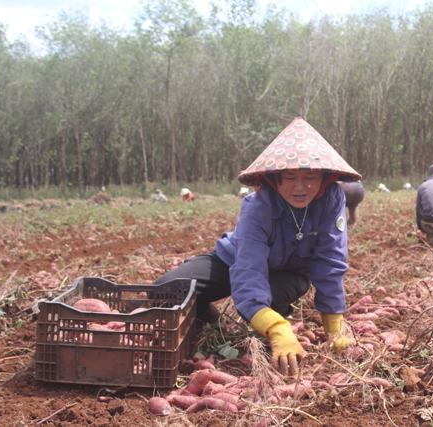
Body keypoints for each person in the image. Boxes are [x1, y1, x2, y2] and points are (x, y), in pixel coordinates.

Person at [153, 117, 361, 376]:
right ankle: (215, 324)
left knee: (271, 298)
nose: (300, 187)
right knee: (166, 290)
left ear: (324, 178)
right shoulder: (259, 205)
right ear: (275, 179)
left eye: (310, 177)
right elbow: (248, 270)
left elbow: (330, 261)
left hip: (291, 273)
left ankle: (265, 324)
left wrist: (335, 328)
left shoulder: (331, 199)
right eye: (290, 177)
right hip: (235, 258)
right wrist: (278, 327)